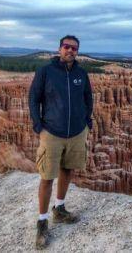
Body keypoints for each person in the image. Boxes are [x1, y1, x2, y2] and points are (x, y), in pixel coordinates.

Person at [29, 35, 93, 249]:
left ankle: (60, 208)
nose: (70, 51)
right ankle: (42, 220)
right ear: (59, 49)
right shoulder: (45, 72)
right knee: (47, 176)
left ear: (77, 51)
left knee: (68, 170)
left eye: (74, 48)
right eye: (67, 47)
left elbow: (88, 99)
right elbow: (33, 98)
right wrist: (38, 125)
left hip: (76, 132)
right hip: (52, 132)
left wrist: (86, 122)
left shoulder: (81, 74)